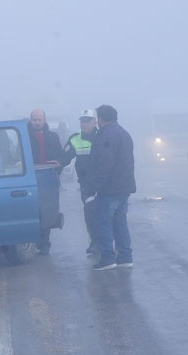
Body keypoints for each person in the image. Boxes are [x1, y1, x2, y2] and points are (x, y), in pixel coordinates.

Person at [83, 104, 136, 270]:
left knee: (104, 223)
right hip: (124, 187)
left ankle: (107, 258)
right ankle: (125, 257)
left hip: (109, 189)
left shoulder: (106, 135)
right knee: (120, 223)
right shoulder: (124, 133)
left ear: (100, 119)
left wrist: (93, 187)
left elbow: (104, 165)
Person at [61, 109, 99, 255]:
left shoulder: (103, 136)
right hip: (86, 184)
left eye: (87, 121)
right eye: (82, 121)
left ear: (95, 122)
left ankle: (108, 243)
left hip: (104, 183)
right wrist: (55, 166)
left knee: (107, 214)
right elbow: (64, 158)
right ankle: (94, 243)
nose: (84, 124)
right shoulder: (75, 139)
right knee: (90, 213)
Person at [27, 109, 64, 255]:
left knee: (47, 211)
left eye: (39, 120)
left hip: (48, 178)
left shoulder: (53, 137)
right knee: (33, 211)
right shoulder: (25, 137)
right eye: (34, 120)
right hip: (31, 178)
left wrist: (57, 169)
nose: (37, 122)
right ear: (31, 120)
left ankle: (45, 243)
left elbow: (60, 157)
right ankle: (34, 241)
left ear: (44, 120)